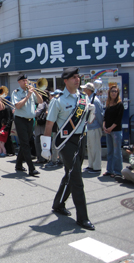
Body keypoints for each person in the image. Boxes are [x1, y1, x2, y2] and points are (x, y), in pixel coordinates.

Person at [41, 67, 96, 230]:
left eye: (78, 77)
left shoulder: (83, 98)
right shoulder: (57, 100)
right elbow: (49, 125)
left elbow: (88, 121)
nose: (77, 79)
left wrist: (91, 113)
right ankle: (82, 218)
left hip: (81, 139)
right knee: (77, 180)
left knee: (70, 175)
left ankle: (58, 204)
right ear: (65, 81)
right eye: (73, 77)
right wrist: (46, 148)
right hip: (66, 142)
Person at [12, 74, 43, 176]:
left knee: (25, 142)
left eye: (26, 80)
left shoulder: (31, 91)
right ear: (19, 82)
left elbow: (40, 101)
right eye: (24, 81)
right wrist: (28, 95)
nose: (26, 82)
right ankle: (31, 168)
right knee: (25, 144)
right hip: (20, 120)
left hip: (30, 120)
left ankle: (18, 164)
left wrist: (35, 92)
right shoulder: (16, 92)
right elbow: (18, 106)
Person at [81, 82, 103, 174]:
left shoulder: (95, 100)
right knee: (90, 148)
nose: (83, 90)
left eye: (85, 89)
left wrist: (101, 127)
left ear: (89, 90)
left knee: (95, 148)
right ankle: (91, 165)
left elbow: (99, 116)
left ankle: (97, 167)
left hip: (95, 127)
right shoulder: (89, 99)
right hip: (89, 128)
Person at [102, 84, 124, 178]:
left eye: (115, 91)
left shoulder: (120, 104)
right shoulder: (108, 104)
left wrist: (110, 128)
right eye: (112, 91)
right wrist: (104, 127)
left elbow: (118, 119)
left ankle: (118, 171)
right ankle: (109, 170)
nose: (114, 93)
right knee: (110, 151)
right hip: (108, 131)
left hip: (116, 131)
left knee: (117, 152)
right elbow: (105, 117)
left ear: (118, 93)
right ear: (109, 93)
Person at [45, 90, 63, 168]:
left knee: (55, 145)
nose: (51, 97)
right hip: (61, 127)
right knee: (61, 144)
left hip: (56, 127)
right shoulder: (62, 103)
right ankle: (61, 160)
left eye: (53, 95)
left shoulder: (56, 103)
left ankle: (54, 161)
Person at [34, 90, 50, 164]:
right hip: (46, 124)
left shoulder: (41, 103)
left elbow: (37, 113)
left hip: (40, 125)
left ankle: (41, 158)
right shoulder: (48, 103)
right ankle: (46, 157)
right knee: (45, 142)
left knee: (38, 142)